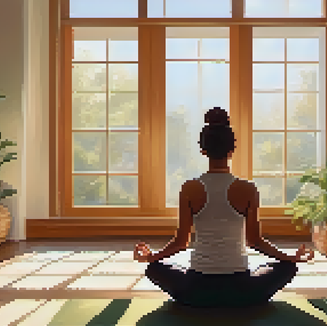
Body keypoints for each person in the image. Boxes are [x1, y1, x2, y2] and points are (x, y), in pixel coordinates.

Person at [133, 107, 315, 308]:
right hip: (242, 289)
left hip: (196, 289)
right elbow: (254, 241)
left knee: (153, 269)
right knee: (287, 269)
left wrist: (152, 257)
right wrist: (290, 258)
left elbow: (180, 243)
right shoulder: (247, 189)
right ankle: (241, 300)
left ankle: (199, 301)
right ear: (232, 150)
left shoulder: (190, 188)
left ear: (203, 150)